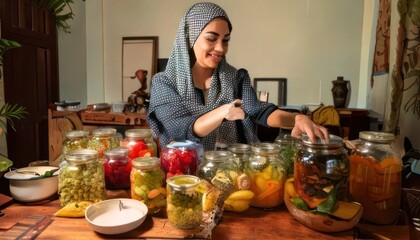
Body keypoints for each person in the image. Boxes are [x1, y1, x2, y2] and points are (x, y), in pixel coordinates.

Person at [147, 2, 329, 151]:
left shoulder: (236, 78)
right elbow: (180, 130)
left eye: (225, 40)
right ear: (189, 37)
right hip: (184, 177)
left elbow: (257, 110)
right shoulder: (164, 83)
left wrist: (296, 118)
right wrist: (223, 111)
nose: (220, 48)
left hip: (231, 171)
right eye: (211, 38)